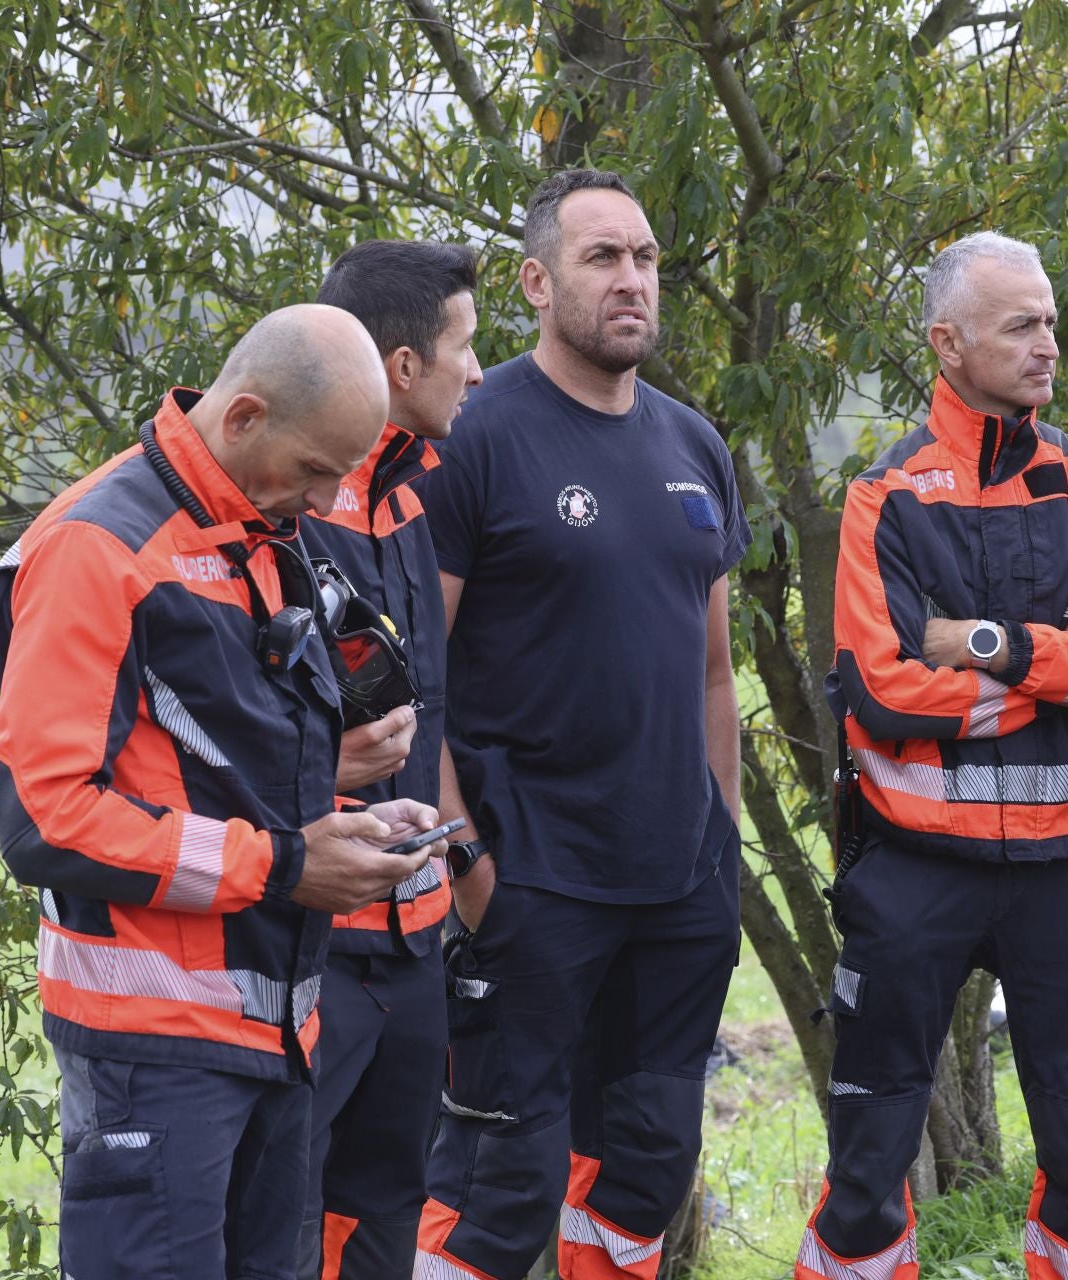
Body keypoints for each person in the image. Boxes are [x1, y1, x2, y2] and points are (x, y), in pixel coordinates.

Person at [0, 304, 448, 1280]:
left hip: (276, 1028)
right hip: (150, 1047)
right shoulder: (96, 546)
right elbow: (44, 813)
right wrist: (287, 863)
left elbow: (214, 775)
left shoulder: (265, 529)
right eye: (319, 469)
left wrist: (349, 824)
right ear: (241, 417)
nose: (328, 503)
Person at [793, 232, 1068, 1280]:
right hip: (914, 868)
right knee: (868, 1173)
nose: (1049, 341)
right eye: (1023, 323)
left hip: (1067, 871)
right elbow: (880, 693)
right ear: (948, 342)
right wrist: (1067, 659)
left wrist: (997, 646)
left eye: (1051, 318)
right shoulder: (887, 497)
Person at [411, 169, 748, 1280]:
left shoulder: (696, 445)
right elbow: (421, 676)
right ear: (537, 280)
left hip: (678, 883)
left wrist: (723, 844)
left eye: (646, 258)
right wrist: (468, 863)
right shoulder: (477, 435)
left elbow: (711, 670)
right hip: (532, 881)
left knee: (646, 1163)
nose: (633, 280)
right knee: (500, 1187)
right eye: (604, 258)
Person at [295, 242, 484, 1279]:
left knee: (385, 1218)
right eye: (466, 346)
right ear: (402, 368)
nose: (481, 371)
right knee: (285, 1214)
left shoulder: (413, 500)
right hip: (315, 947)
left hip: (415, 945)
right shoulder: (287, 513)